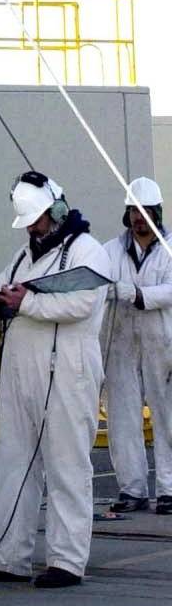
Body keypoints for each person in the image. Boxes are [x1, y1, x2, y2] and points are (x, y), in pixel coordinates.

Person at [0, 171, 109, 589]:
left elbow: (81, 303)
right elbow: (12, 294)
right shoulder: (23, 255)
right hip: (22, 369)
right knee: (11, 461)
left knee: (66, 464)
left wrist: (26, 302)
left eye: (39, 219)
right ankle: (7, 556)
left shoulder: (88, 252)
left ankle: (66, 560)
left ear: (58, 208)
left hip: (69, 371)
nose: (33, 227)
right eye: (28, 221)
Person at [102, 177, 172, 516]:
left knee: (167, 415)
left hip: (163, 344)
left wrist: (136, 293)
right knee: (122, 417)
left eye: (144, 211)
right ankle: (132, 489)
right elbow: (96, 279)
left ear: (157, 213)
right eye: (132, 211)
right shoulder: (111, 250)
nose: (138, 218)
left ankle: (169, 488)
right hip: (121, 344)